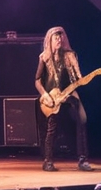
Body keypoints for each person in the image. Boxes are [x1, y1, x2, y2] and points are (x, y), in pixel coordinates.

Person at [35, 25, 92, 173]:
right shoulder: (44, 57)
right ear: (50, 40)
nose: (59, 39)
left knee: (81, 121)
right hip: (52, 98)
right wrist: (45, 95)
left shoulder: (69, 56)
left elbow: (76, 79)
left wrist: (74, 88)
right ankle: (48, 160)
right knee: (52, 127)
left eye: (61, 37)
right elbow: (37, 80)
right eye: (56, 37)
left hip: (69, 93)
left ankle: (82, 159)